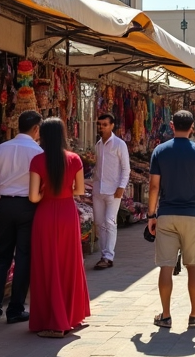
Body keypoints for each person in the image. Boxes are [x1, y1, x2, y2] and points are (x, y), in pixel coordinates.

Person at [27, 117, 90, 338]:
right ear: (63, 135)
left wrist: (46, 193)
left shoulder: (37, 161)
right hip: (67, 214)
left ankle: (52, 321)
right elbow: (80, 190)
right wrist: (63, 192)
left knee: (47, 266)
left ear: (42, 136)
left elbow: (33, 197)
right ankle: (71, 315)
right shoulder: (74, 159)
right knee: (68, 263)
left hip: (44, 215)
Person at [148, 110, 195, 329]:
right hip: (191, 213)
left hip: (166, 213)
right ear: (192, 127)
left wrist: (150, 215)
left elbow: (154, 186)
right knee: (192, 265)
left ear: (172, 125)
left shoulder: (160, 151)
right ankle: (194, 315)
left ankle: (165, 315)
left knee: (166, 266)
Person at [0, 109, 43, 323]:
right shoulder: (37, 151)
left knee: (1, 256)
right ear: (36, 129)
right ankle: (15, 309)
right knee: (24, 257)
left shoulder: (2, 148)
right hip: (28, 206)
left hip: (5, 205)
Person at [92, 113, 130, 270]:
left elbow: (125, 168)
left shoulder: (119, 144)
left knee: (109, 222)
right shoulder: (98, 145)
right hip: (98, 190)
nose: (101, 127)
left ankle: (108, 256)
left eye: (104, 124)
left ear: (112, 125)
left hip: (113, 191)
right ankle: (103, 254)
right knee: (100, 223)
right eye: (99, 124)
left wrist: (121, 187)